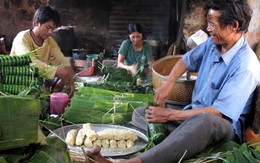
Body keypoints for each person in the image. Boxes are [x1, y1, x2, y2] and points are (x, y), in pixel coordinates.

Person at [86, 0, 260, 162]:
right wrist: (168, 83)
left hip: (220, 126)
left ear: (234, 26)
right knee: (141, 113)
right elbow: (185, 61)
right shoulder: (213, 44)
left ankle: (136, 161)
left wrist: (169, 114)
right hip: (193, 116)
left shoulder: (246, 66)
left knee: (204, 121)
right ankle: (178, 143)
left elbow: (218, 113)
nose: (208, 28)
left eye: (212, 24)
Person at [10, 6, 75, 97]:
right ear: (37, 23)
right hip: (17, 84)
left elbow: (62, 61)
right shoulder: (22, 38)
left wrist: (69, 80)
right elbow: (29, 62)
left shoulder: (50, 42)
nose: (50, 32)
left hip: (36, 83)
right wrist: (55, 71)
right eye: (47, 27)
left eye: (52, 29)